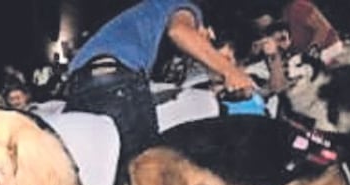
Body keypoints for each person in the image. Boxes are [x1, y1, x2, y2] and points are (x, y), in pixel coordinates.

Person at [64, 0, 256, 168]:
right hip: (116, 79)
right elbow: (179, 32)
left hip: (82, 82)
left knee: (103, 168)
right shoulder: (185, 8)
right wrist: (230, 72)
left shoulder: (148, 20)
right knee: (147, 171)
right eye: (227, 57)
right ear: (210, 34)